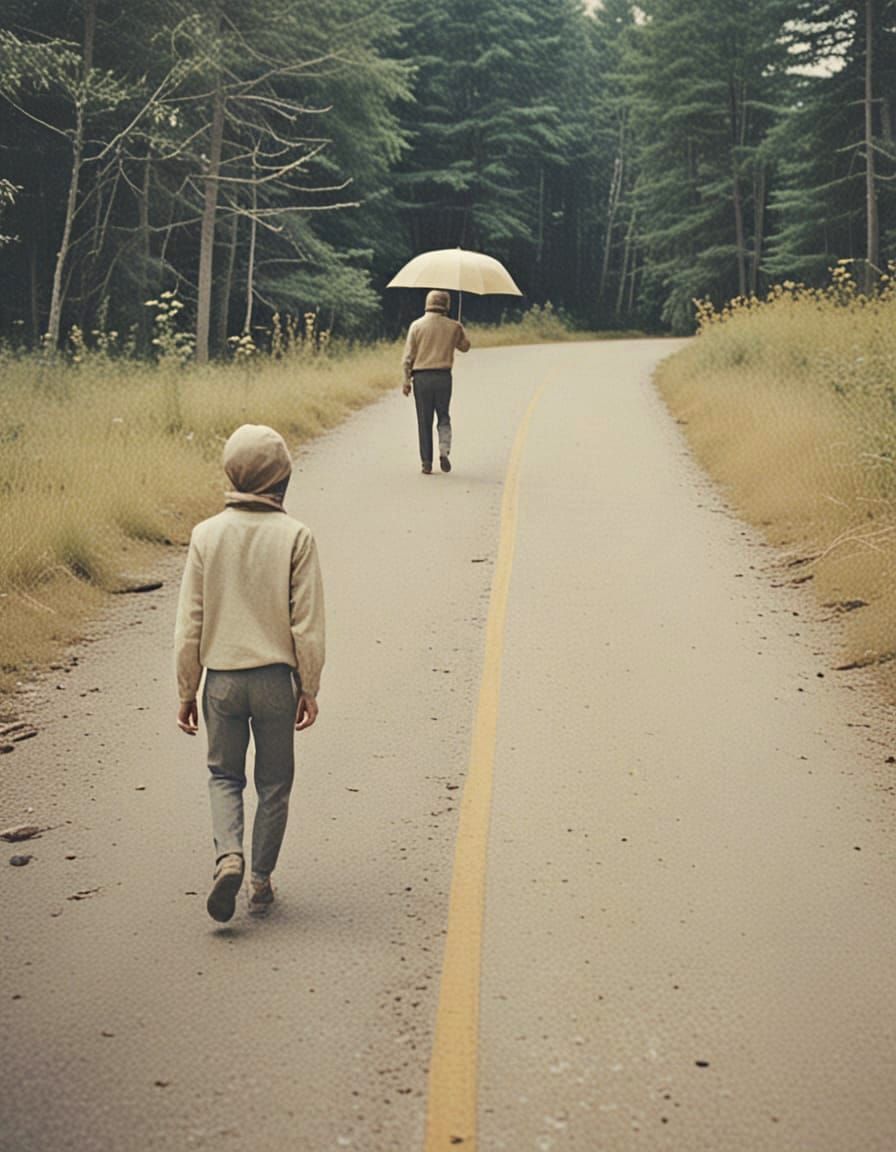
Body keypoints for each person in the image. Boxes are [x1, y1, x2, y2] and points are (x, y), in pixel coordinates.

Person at [174, 423, 325, 923]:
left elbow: (190, 623)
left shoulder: (205, 535)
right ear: (282, 477)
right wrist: (309, 686)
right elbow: (306, 624)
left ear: (231, 473)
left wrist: (186, 689)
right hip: (275, 681)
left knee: (223, 775)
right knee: (275, 782)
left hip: (221, 681)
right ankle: (260, 880)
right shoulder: (296, 536)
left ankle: (229, 856)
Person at [402, 289, 470, 474]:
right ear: (446, 305)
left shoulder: (416, 326)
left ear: (428, 303)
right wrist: (460, 330)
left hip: (421, 378)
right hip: (443, 377)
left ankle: (426, 462)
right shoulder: (453, 326)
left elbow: (408, 358)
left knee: (424, 420)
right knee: (443, 415)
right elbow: (465, 347)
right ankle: (444, 449)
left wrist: (406, 381)